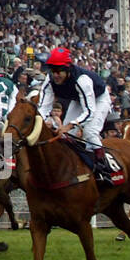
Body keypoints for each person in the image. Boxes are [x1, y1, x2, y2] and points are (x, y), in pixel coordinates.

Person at [34, 47, 114, 182]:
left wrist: (70, 125)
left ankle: (104, 168)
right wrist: (40, 121)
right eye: (53, 70)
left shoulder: (82, 80)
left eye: (59, 71)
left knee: (90, 131)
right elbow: (44, 106)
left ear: (68, 69)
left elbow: (89, 111)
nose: (56, 75)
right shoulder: (50, 79)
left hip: (98, 99)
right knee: (65, 135)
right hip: (78, 99)